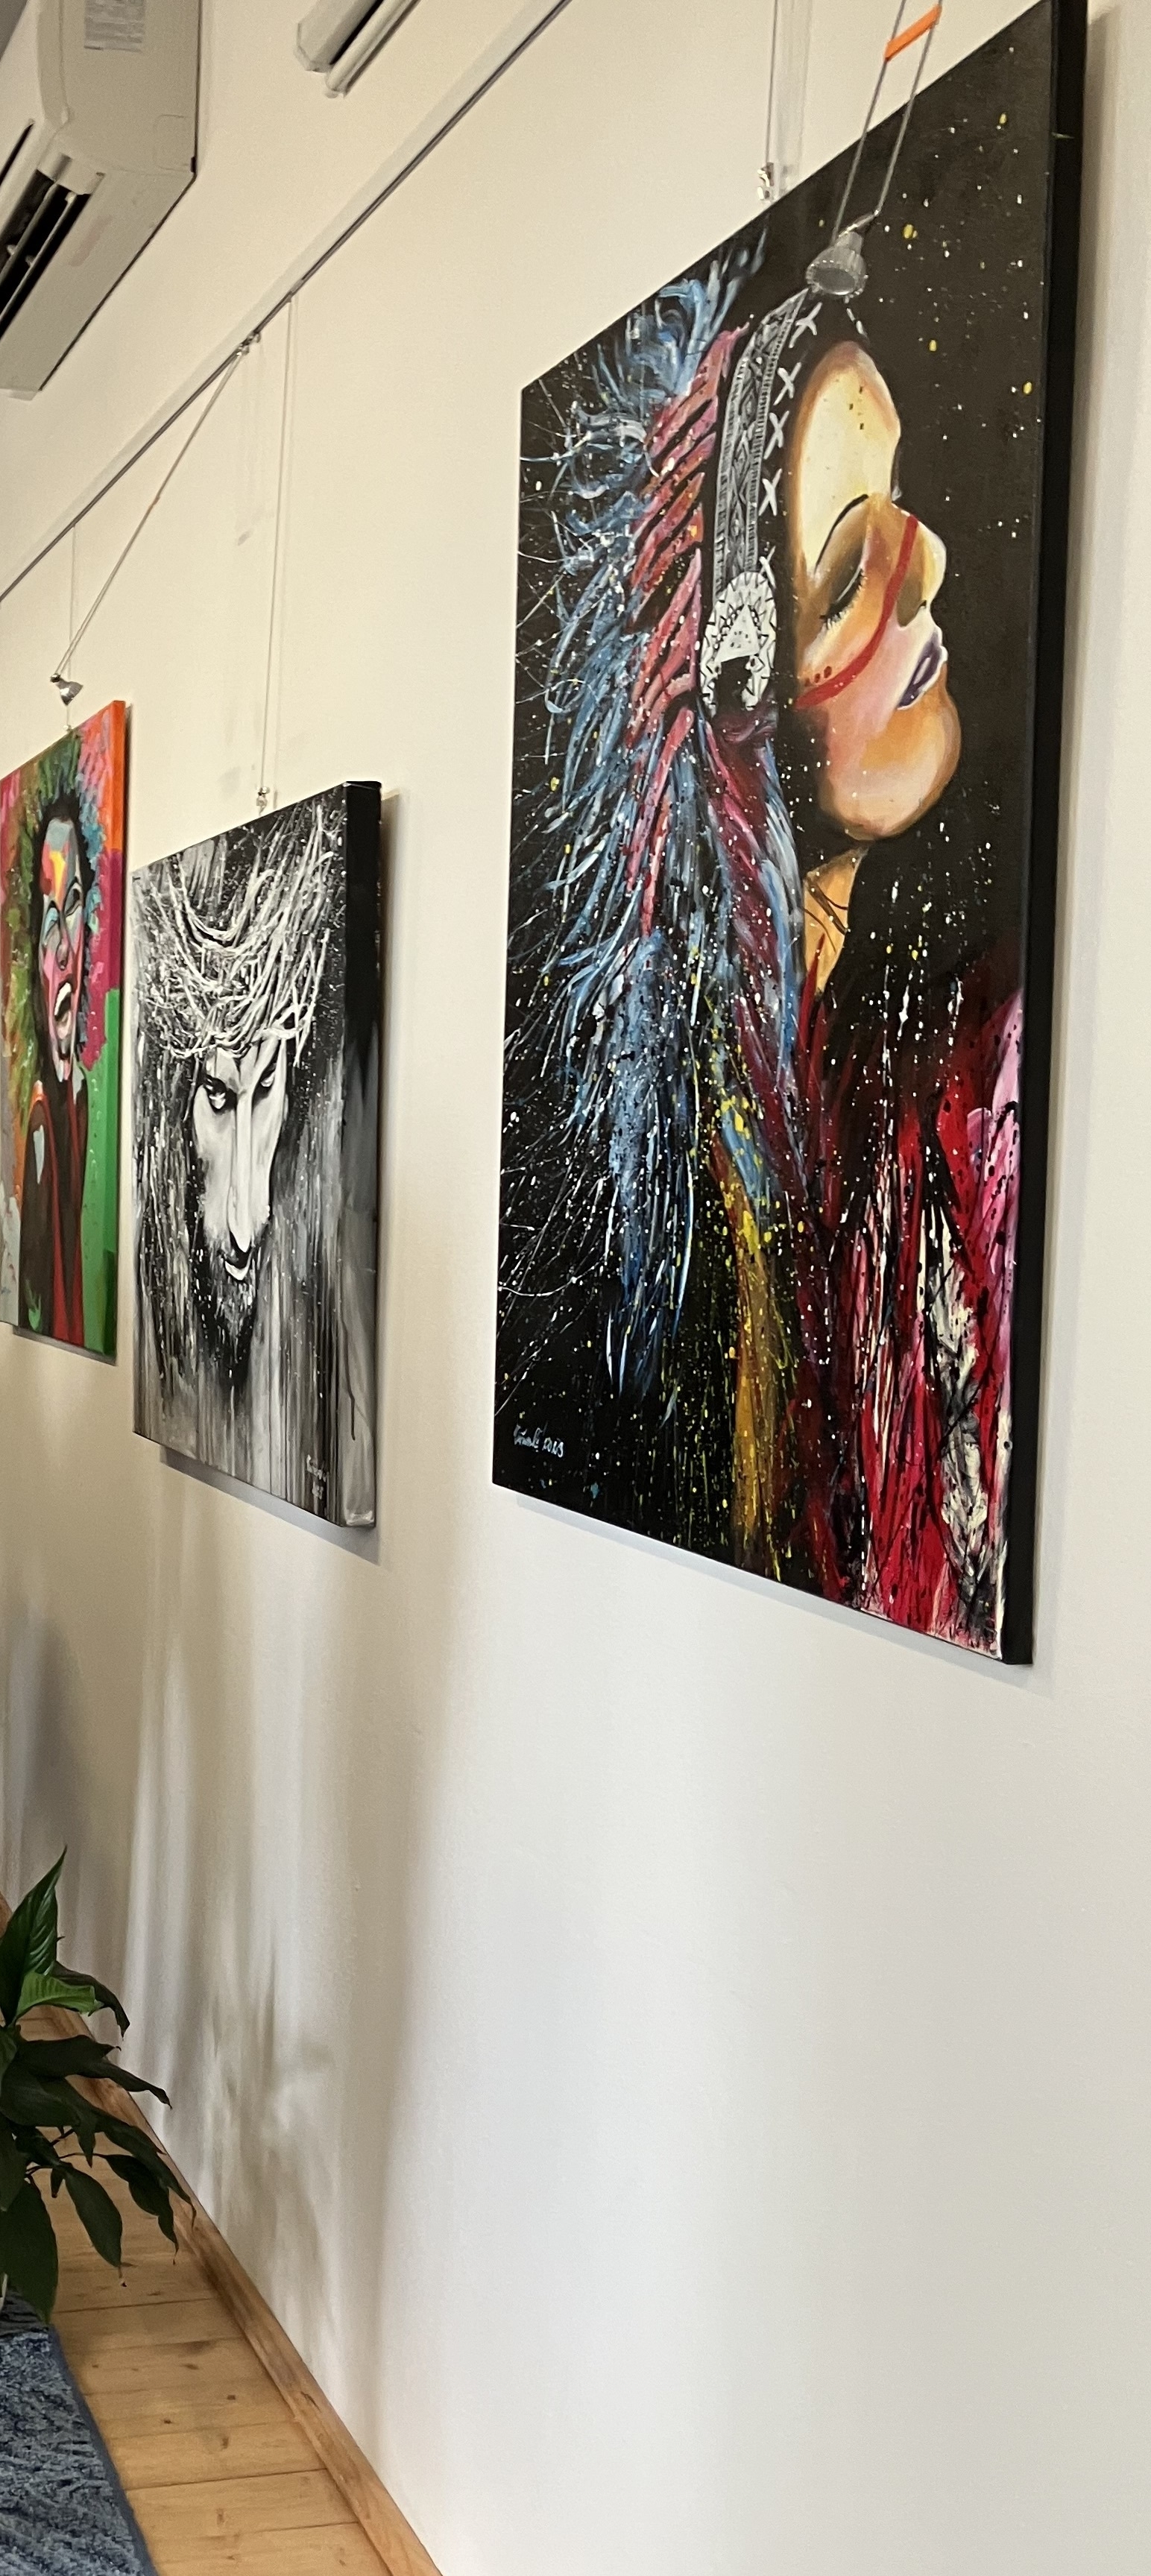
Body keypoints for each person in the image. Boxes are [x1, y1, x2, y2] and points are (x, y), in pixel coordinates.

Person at [508, 231, 1005, 1644]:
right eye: (849, 574)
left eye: (901, 501)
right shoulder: (690, 1178)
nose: (928, 563)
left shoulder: (951, 1075)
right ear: (737, 719)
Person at [16, 795, 98, 1341]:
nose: (65, 947)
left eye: (72, 906)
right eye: (50, 922)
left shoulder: (86, 1101)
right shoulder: (42, 1124)